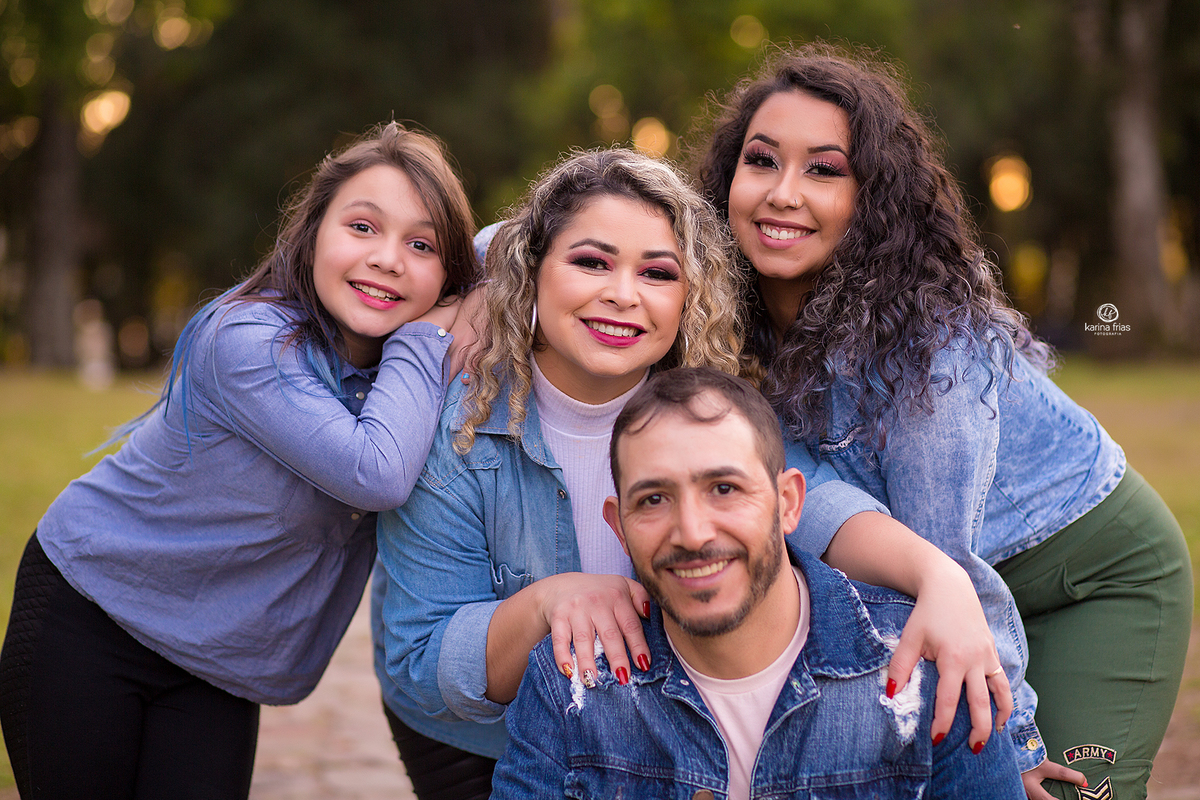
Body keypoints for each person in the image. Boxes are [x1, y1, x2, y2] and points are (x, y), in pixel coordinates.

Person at [373, 147, 1010, 800]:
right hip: (474, 738)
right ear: (532, 274)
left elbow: (809, 502)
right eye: (591, 262)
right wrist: (548, 602)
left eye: (657, 273)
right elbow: (420, 659)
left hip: (648, 726)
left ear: (688, 296)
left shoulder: (703, 403)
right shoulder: (459, 429)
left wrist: (939, 578)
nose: (622, 295)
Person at [696, 42, 1192, 800]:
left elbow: (944, 553)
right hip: (945, 572)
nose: (782, 193)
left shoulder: (929, 342)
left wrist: (1016, 738)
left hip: (1093, 576)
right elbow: (581, 228)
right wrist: (473, 293)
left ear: (873, 198)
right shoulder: (720, 312)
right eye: (762, 161)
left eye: (824, 170)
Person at [0, 121, 479, 800]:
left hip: (214, 662)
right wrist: (430, 331)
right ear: (313, 233)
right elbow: (375, 472)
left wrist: (480, 294)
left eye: (422, 244)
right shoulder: (249, 340)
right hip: (91, 619)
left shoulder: (395, 373)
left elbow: (518, 250)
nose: (389, 259)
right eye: (363, 227)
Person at [492, 366, 1026, 800]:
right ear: (620, 528)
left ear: (788, 503)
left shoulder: (927, 671)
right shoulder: (571, 684)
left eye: (724, 488)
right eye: (653, 499)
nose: (693, 534)